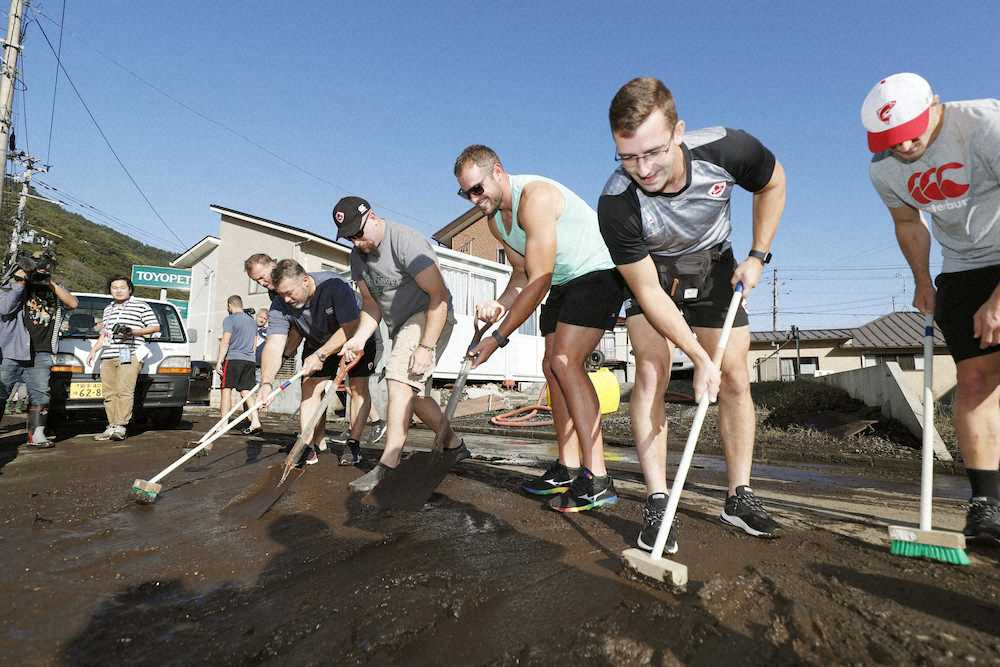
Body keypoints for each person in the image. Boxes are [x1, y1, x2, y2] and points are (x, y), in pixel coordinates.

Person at [597, 76, 786, 552]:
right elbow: (646, 291)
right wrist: (696, 357)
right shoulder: (617, 201)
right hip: (655, 273)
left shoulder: (728, 149)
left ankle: (738, 496)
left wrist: (758, 255)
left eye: (654, 152)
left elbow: (774, 182)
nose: (643, 168)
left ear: (678, 131)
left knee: (735, 374)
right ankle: (659, 499)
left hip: (714, 263)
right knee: (651, 369)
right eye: (628, 156)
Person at [862, 72, 1000, 545]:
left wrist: (999, 299)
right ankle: (987, 506)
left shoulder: (985, 126)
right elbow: (908, 222)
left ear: (934, 105)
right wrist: (923, 280)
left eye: (910, 135)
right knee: (975, 380)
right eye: (890, 141)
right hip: (963, 267)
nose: (902, 148)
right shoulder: (884, 167)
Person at [453, 145, 626, 512]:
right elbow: (521, 275)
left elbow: (539, 280)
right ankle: (567, 466)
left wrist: (499, 338)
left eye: (477, 189)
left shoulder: (535, 198)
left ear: (497, 171)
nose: (473, 199)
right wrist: (500, 304)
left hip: (597, 273)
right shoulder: (495, 221)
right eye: (465, 193)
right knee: (551, 367)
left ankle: (598, 478)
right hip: (562, 282)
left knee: (566, 361)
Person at [333, 195, 468, 492]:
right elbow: (371, 306)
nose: (356, 242)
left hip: (431, 315)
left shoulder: (406, 241)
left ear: (373, 217)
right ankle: (455, 445)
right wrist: (357, 339)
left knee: (398, 379)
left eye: (359, 233)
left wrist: (426, 347)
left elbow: (440, 297)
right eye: (349, 237)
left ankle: (388, 465)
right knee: (415, 398)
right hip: (401, 325)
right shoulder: (357, 257)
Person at [270, 259, 378, 466]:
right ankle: (306, 445)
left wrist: (321, 355)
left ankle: (353, 444)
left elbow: (351, 325)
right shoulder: (281, 302)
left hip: (356, 334)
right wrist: (267, 381)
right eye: (281, 294)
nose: (286, 299)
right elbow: (275, 344)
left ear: (305, 280)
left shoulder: (334, 286)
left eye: (290, 292)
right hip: (319, 339)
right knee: (309, 386)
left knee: (357, 388)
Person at [0, 261, 78, 448]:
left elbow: (73, 303)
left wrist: (50, 282)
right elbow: (5, 308)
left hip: (42, 352)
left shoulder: (55, 290)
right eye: (37, 270)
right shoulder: (11, 287)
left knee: (41, 394)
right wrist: (22, 280)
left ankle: (36, 435)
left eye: (46, 270)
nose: (40, 273)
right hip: (12, 350)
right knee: (1, 392)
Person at [86, 276, 160, 441]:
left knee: (124, 391)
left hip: (130, 353)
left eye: (122, 287)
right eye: (114, 287)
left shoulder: (141, 306)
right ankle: (111, 425)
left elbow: (155, 327)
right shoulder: (108, 309)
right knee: (109, 393)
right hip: (108, 354)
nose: (118, 290)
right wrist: (93, 350)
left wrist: (131, 331)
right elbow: (105, 334)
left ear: (130, 289)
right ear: (110, 290)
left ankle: (121, 425)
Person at [215, 295, 261, 435]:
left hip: (234, 359)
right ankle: (255, 420)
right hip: (249, 360)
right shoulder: (252, 322)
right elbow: (254, 343)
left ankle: (223, 424)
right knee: (246, 391)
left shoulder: (230, 319)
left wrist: (219, 362)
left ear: (230, 305)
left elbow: (225, 341)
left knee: (226, 389)